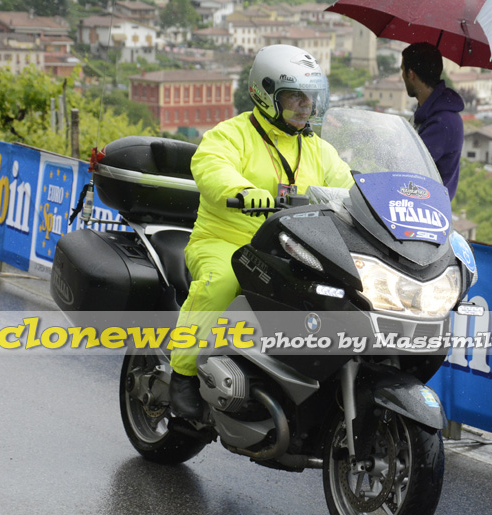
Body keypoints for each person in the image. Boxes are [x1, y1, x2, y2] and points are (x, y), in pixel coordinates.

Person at [168, 44, 355, 419]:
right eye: (294, 96)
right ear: (265, 94)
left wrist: (368, 204)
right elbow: (211, 165)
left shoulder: (319, 150)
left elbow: (347, 187)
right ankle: (183, 373)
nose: (305, 106)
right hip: (226, 240)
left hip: (290, 250)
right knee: (221, 282)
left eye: (311, 97)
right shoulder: (232, 133)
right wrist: (243, 192)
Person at [400, 42, 464, 199]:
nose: (402, 77)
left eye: (402, 70)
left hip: (427, 209)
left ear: (411, 74)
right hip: (420, 202)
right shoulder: (428, 113)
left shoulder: (442, 123)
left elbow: (408, 166)